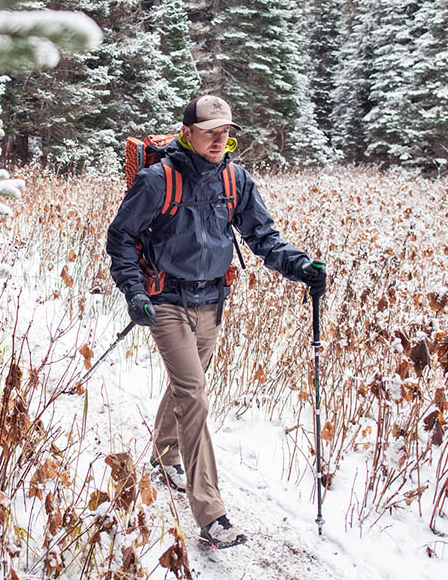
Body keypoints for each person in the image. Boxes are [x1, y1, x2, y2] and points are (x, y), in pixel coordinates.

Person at [105, 94, 327, 550]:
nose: (219, 139)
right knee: (194, 394)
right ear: (188, 133)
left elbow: (262, 236)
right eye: (210, 131)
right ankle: (212, 514)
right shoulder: (156, 180)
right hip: (165, 299)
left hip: (212, 300)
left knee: (188, 386)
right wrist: (133, 292)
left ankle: (165, 455)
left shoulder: (235, 179)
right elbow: (121, 238)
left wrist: (300, 267)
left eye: (225, 132)